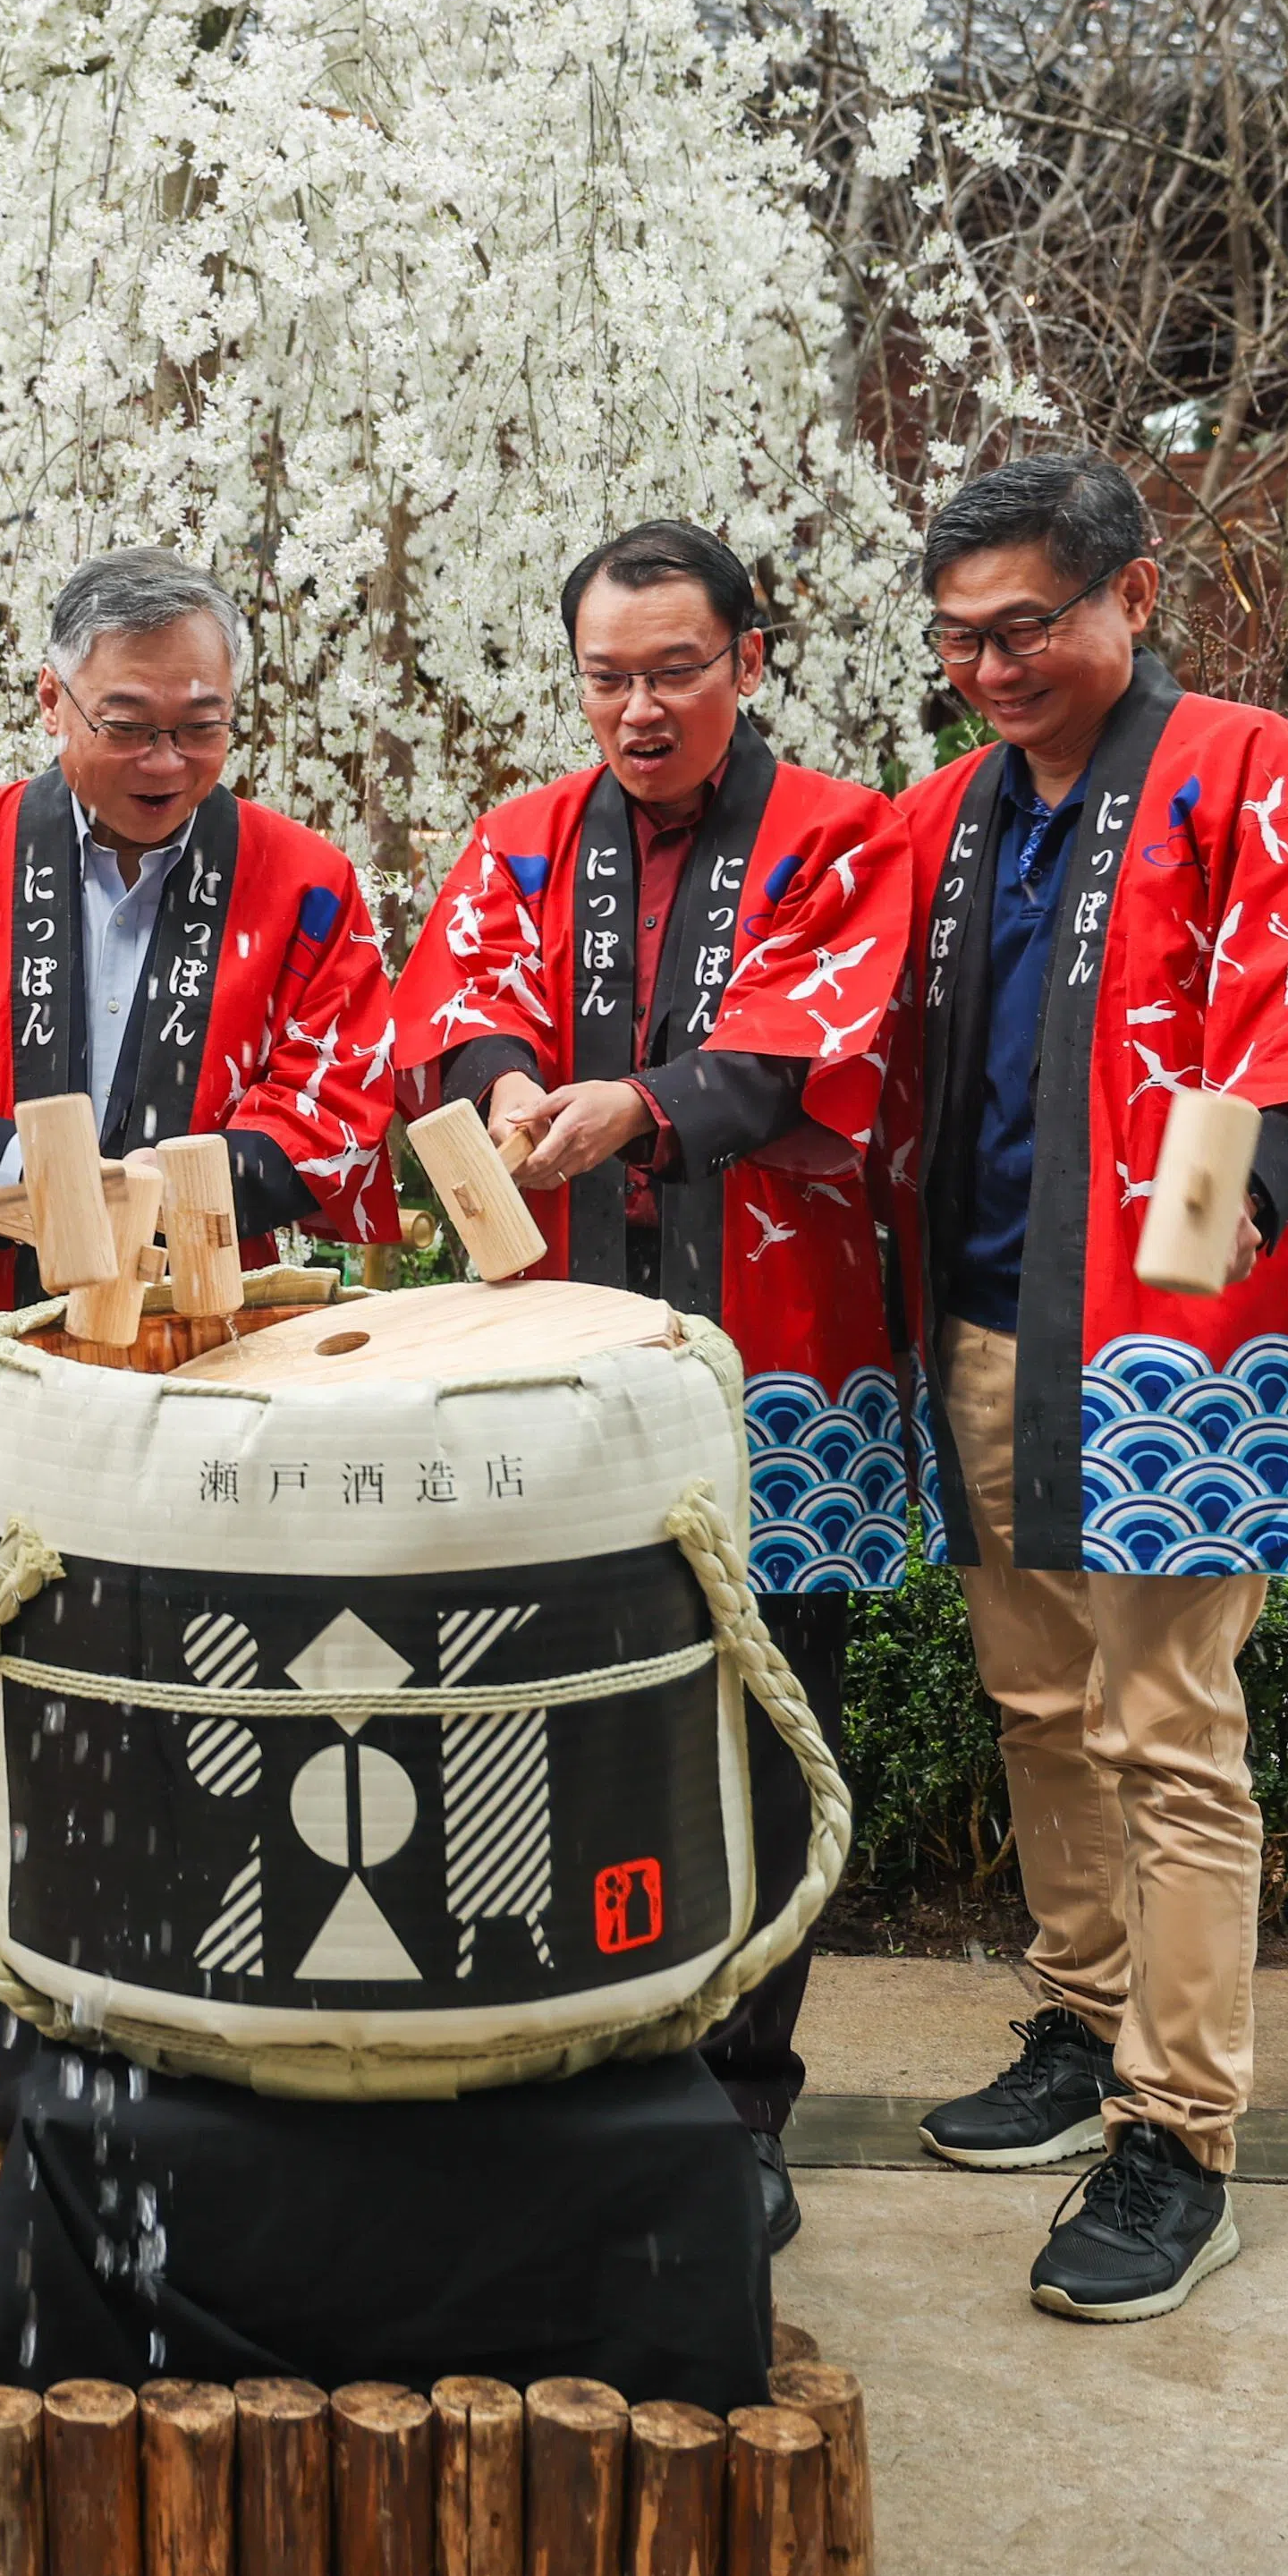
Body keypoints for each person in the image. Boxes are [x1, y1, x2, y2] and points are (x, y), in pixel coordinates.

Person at [707, 453, 1288, 2325]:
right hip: (983, 1315)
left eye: (1025, 625)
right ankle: (1082, 2019)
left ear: (1130, 595)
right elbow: (819, 1014)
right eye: (957, 637)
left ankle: (1182, 2133)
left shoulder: (1246, 769)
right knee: (1035, 1699)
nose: (992, 665)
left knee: (1170, 1725)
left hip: (1179, 1331)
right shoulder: (940, 812)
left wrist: (1233, 1185)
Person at [0, 546, 402, 2075]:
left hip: (214, 1355)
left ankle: (197, 2052)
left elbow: (339, 1103)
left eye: (201, 724)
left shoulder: (303, 876)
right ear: (50, 696)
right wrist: (30, 1168)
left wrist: (176, 1186)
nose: (165, 759)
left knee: (219, 1700)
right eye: (127, 721)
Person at [388, 517, 908, 2258]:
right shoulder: (522, 837)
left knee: (766, 1730)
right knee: (551, 1707)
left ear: (749, 659)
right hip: (559, 1359)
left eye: (672, 669)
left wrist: (639, 1103)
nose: (635, 707)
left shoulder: (843, 835)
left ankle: (741, 2104)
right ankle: (567, 2070)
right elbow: (452, 999)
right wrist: (516, 1076)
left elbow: (817, 1040)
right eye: (605, 676)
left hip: (783, 1360)